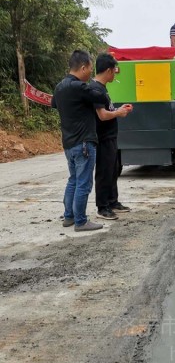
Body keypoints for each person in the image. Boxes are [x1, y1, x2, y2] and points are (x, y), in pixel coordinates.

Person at [51, 50, 107, 231]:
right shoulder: (79, 87)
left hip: (68, 143)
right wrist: (95, 86)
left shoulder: (59, 87)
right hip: (84, 142)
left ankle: (69, 217)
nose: (91, 72)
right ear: (83, 67)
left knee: (73, 180)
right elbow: (101, 97)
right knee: (83, 182)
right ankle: (81, 221)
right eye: (90, 68)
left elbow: (53, 104)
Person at [89, 53, 133, 220]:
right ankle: (102, 207)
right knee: (104, 171)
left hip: (110, 136)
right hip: (102, 137)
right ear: (108, 70)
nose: (115, 74)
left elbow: (107, 110)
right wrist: (118, 113)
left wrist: (119, 109)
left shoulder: (102, 88)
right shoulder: (94, 88)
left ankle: (112, 201)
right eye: (114, 70)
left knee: (113, 170)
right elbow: (102, 115)